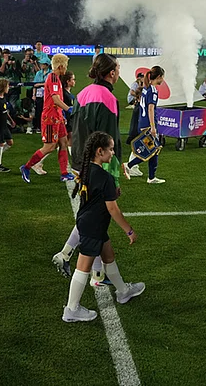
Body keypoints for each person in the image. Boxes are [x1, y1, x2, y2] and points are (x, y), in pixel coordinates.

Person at [53, 53, 125, 286]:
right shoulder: (108, 98)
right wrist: (114, 177)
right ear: (111, 73)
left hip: (79, 161)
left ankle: (90, 269)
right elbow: (109, 141)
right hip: (97, 167)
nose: (119, 72)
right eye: (117, 68)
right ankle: (76, 262)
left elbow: (74, 129)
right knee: (97, 218)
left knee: (91, 215)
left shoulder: (83, 93)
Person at [62, 132, 145, 322]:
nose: (113, 153)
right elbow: (112, 209)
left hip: (87, 221)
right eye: (111, 149)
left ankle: (123, 291)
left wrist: (111, 193)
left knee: (108, 256)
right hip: (94, 225)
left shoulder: (86, 170)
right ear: (100, 151)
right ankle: (71, 309)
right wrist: (129, 230)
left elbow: (97, 195)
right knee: (83, 267)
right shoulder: (105, 177)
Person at [20, 54, 73, 183]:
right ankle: (26, 167)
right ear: (61, 66)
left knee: (63, 143)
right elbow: (55, 99)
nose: (66, 68)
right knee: (49, 146)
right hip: (50, 117)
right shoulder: (53, 78)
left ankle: (64, 173)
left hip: (58, 116)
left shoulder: (55, 78)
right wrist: (68, 109)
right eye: (65, 65)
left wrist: (62, 113)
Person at [127, 66, 166, 184]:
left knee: (153, 151)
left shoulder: (145, 88)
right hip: (148, 125)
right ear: (158, 77)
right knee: (152, 149)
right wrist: (153, 127)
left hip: (142, 123)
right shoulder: (152, 90)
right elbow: (150, 109)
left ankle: (151, 177)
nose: (163, 80)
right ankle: (129, 165)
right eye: (162, 77)